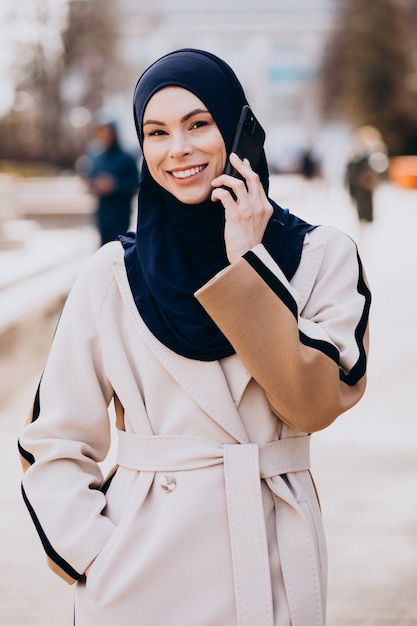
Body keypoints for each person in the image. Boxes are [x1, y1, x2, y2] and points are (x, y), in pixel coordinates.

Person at [18, 49, 371, 626]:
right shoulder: (112, 274)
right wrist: (94, 554)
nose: (177, 149)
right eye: (156, 132)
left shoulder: (322, 256)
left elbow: (309, 405)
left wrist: (250, 263)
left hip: (271, 553)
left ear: (235, 127)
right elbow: (53, 440)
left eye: (198, 124)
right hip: (137, 570)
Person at [79, 118, 139, 245]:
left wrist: (115, 185)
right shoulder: (97, 157)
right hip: (102, 214)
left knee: (119, 249)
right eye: (101, 133)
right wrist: (92, 184)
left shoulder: (127, 158)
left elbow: (136, 184)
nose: (104, 136)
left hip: (120, 215)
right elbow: (90, 179)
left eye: (107, 132)